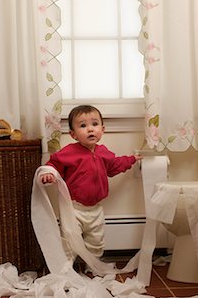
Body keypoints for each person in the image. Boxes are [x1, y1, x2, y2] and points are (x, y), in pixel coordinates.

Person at [41, 104, 142, 261]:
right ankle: (65, 268)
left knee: (96, 240)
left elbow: (115, 164)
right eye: (83, 126)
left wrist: (131, 159)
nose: (90, 129)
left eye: (95, 124)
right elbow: (53, 164)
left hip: (95, 209)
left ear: (103, 129)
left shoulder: (103, 153)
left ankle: (93, 266)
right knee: (69, 240)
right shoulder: (69, 152)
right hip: (73, 208)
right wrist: (48, 174)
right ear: (73, 134)